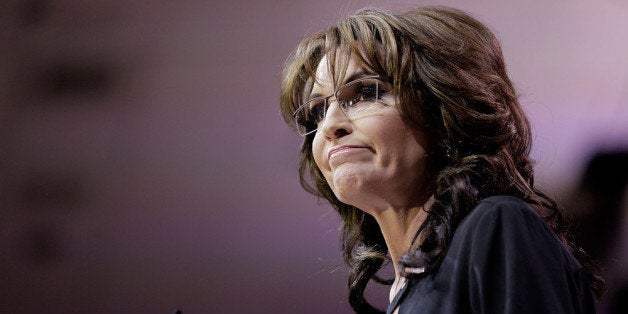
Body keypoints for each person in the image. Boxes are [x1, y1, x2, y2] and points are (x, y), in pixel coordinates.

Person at [279, 6, 603, 314]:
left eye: (365, 92)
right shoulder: (407, 288)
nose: (330, 126)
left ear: (442, 113)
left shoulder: (497, 224)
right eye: (317, 110)